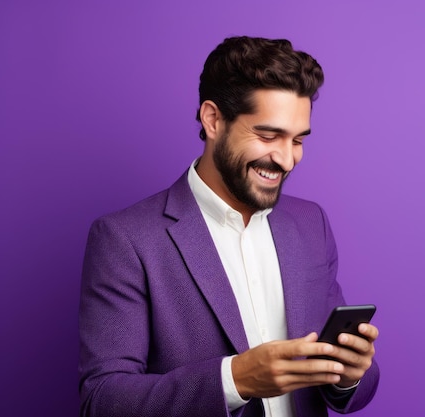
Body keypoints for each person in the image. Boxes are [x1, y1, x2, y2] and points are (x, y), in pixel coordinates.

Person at [79, 36, 380, 417]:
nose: (286, 159)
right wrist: (235, 380)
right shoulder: (126, 239)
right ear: (213, 119)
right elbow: (102, 400)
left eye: (298, 140)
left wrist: (348, 374)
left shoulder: (310, 224)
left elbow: (353, 385)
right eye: (268, 136)